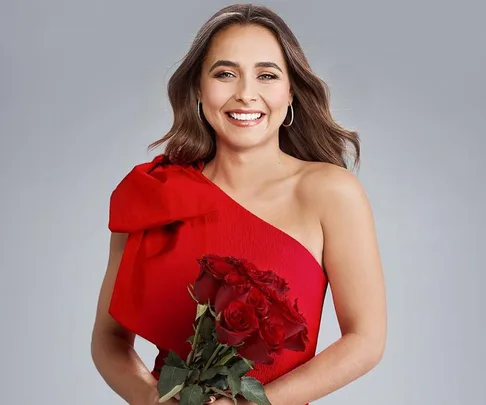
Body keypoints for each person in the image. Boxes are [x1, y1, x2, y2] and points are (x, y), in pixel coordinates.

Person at [90, 4, 387, 405]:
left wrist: (250, 403)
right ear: (198, 88)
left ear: (290, 90)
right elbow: (108, 340)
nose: (246, 93)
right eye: (225, 74)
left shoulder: (331, 192)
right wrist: (152, 400)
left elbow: (365, 340)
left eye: (266, 75)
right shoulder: (154, 194)